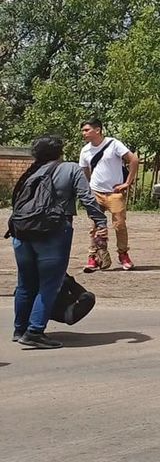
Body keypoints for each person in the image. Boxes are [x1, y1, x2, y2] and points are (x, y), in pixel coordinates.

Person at [8, 135, 107, 349]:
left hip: (21, 233)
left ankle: (20, 329)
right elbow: (87, 198)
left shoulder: (31, 171)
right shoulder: (70, 169)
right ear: (60, 152)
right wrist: (101, 222)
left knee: (25, 284)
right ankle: (34, 332)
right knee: (49, 284)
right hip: (53, 233)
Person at [78, 118, 139, 272]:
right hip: (95, 193)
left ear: (97, 130)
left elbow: (133, 160)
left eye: (86, 130)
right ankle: (93, 257)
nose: (83, 133)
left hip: (114, 193)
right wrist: (88, 189)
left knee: (119, 225)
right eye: (83, 130)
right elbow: (84, 171)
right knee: (95, 226)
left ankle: (123, 254)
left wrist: (127, 183)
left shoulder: (113, 144)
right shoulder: (85, 150)